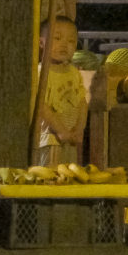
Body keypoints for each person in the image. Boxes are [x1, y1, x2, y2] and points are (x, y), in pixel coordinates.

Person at [35, 16, 87, 167]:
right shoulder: (41, 73)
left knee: (68, 177)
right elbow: (42, 106)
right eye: (57, 38)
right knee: (50, 179)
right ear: (41, 42)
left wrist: (79, 129)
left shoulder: (74, 73)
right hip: (49, 139)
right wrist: (61, 130)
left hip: (70, 138)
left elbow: (82, 103)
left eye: (71, 41)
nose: (64, 45)